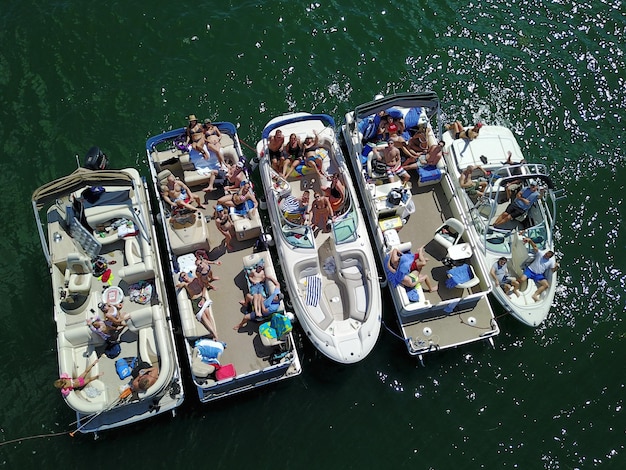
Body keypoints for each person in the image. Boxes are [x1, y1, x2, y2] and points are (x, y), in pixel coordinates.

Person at [176, 272, 219, 338]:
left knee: (208, 315)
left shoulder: (195, 279)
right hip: (195, 302)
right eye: (182, 277)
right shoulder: (185, 284)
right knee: (204, 318)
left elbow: (204, 286)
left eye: (184, 275)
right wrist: (181, 283)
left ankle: (214, 332)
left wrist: (203, 298)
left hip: (201, 298)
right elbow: (178, 286)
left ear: (187, 274)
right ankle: (214, 334)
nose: (184, 277)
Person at [517, 238, 559, 302]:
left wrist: (556, 266)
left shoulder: (551, 262)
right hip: (530, 270)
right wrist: (530, 240)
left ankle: (535, 295)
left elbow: (553, 270)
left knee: (546, 285)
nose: (545, 255)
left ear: (549, 257)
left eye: (546, 255)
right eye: (545, 254)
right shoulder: (541, 254)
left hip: (538, 275)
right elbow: (535, 247)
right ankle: (515, 285)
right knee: (522, 279)